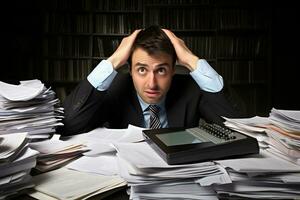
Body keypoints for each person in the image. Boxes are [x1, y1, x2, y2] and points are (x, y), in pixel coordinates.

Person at [59, 25, 238, 136]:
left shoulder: (191, 88)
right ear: (129, 70)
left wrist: (192, 60)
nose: (151, 83)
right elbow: (68, 125)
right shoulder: (115, 88)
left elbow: (238, 128)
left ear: (174, 69)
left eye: (161, 70)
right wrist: (113, 61)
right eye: (142, 69)